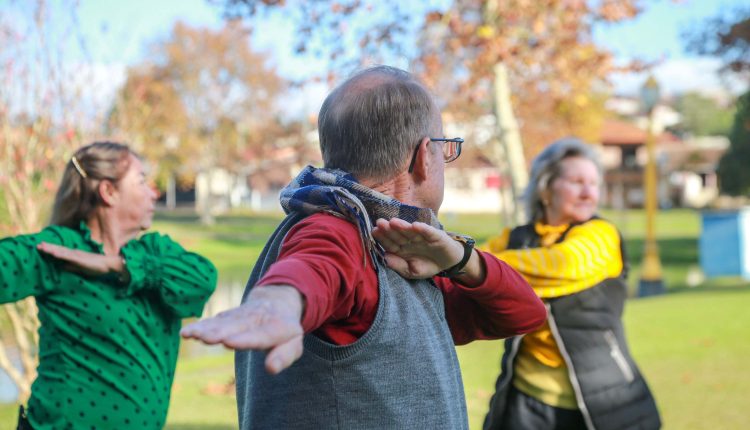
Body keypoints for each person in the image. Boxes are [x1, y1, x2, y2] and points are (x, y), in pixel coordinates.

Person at [180, 65, 547, 429]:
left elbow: (525, 314)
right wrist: (279, 303)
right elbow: (314, 264)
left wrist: (462, 259)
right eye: (444, 146)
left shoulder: (404, 247)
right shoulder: (339, 227)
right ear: (423, 156)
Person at [0, 141, 217, 430]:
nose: (153, 193)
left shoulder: (156, 251)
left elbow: (203, 280)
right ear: (108, 192)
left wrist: (117, 266)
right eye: (141, 181)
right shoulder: (61, 250)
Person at [482, 138, 661, 430]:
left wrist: (472, 264)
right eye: (577, 182)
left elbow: (558, 264)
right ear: (546, 188)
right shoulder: (516, 239)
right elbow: (468, 269)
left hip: (605, 401)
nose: (589, 192)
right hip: (524, 402)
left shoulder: (601, 235)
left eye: (594, 183)